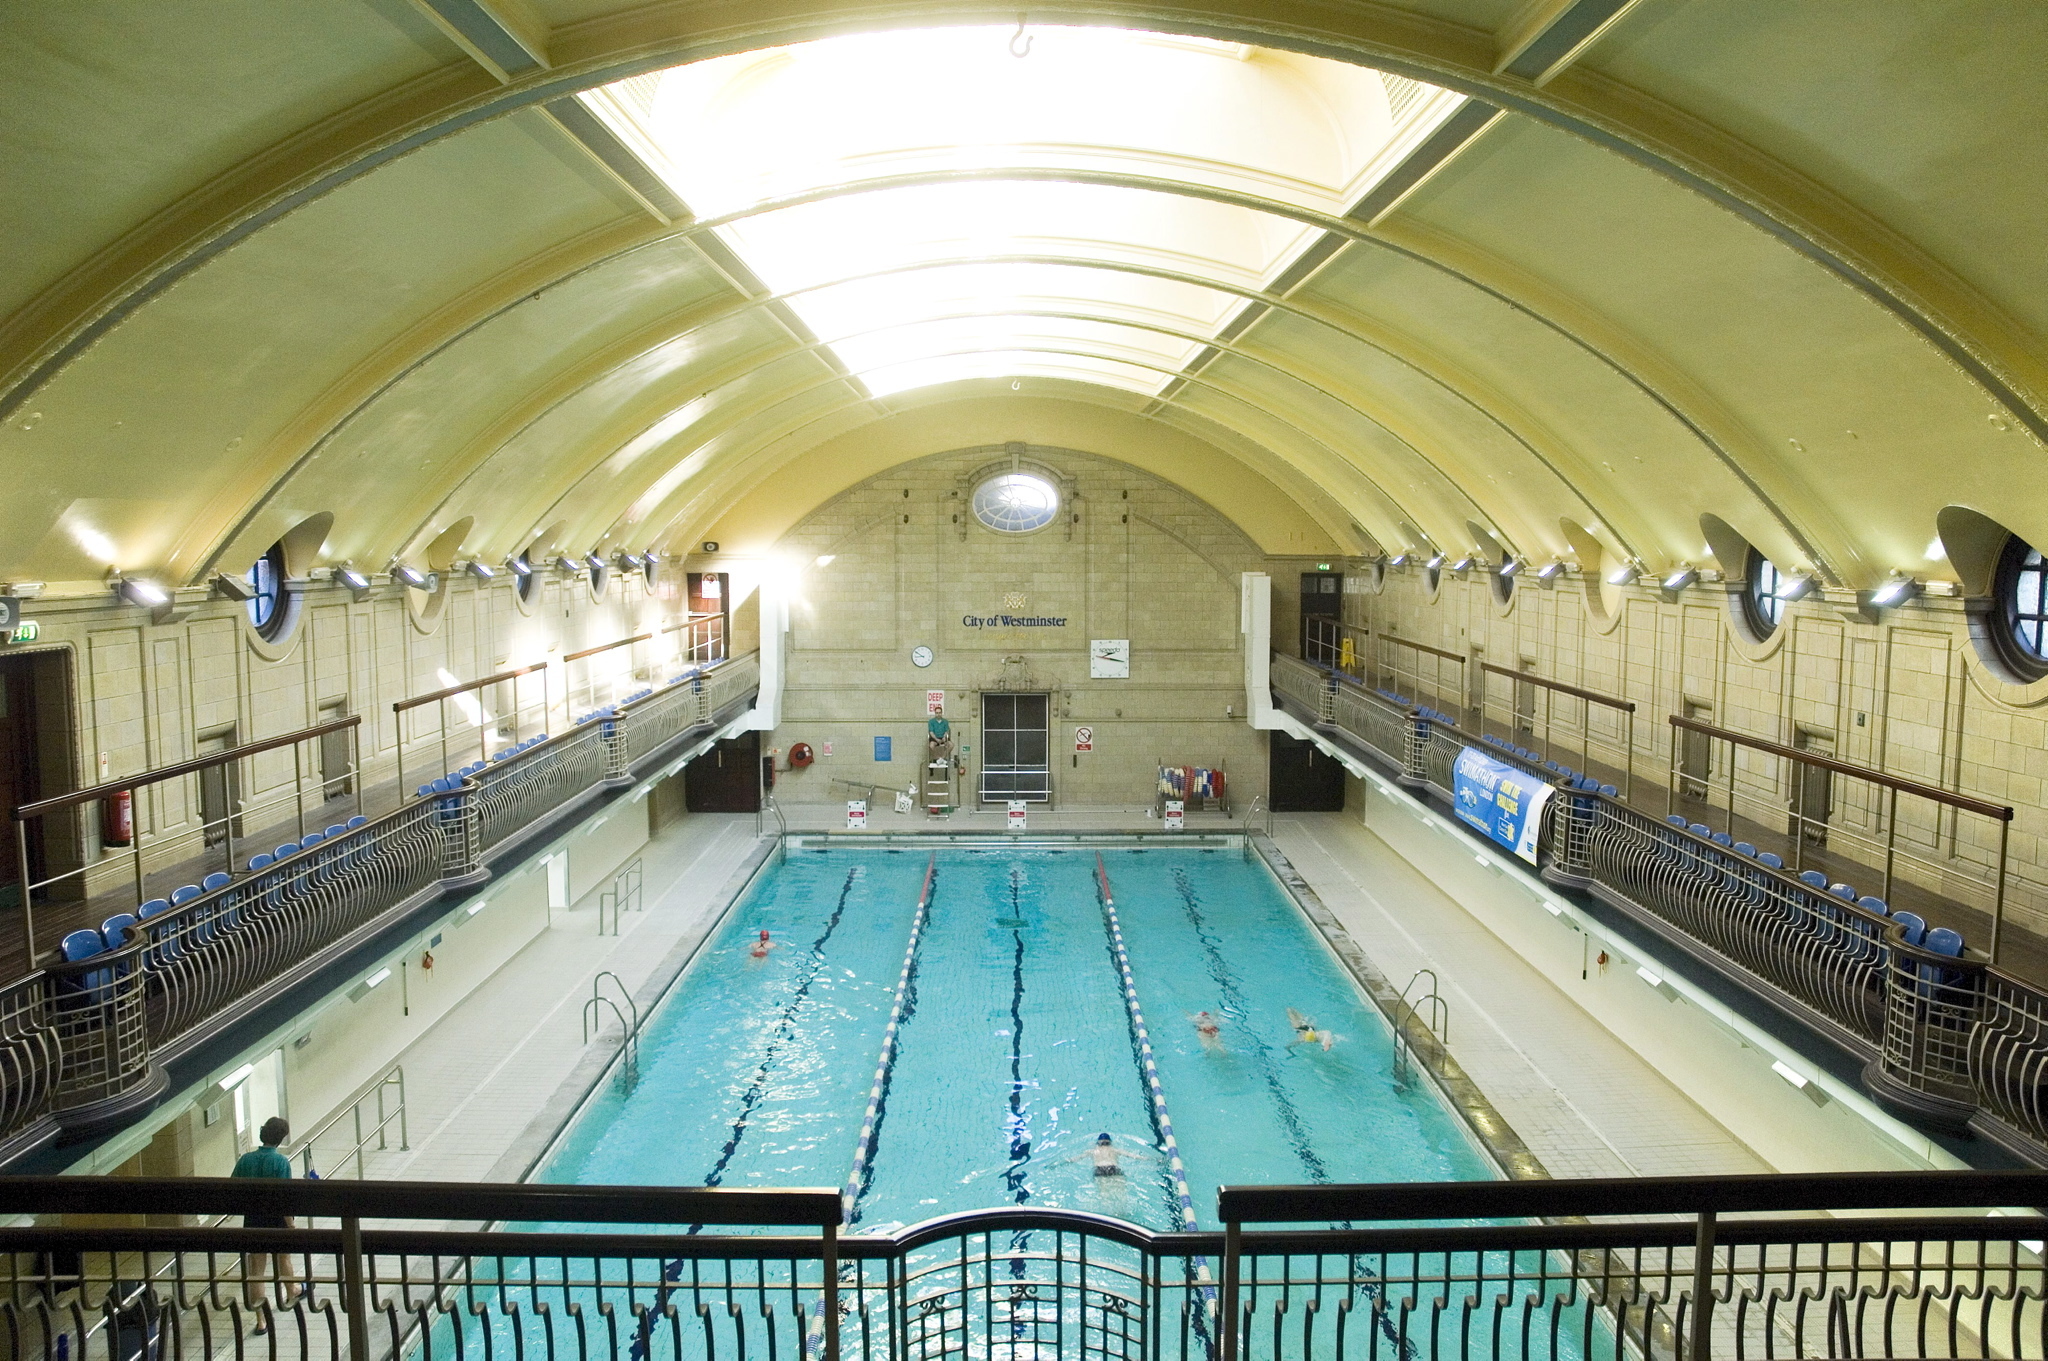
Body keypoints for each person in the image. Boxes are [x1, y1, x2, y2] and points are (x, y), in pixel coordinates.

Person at [232, 1116, 299, 1329]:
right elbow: (284, 1198)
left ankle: (261, 1320)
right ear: (280, 1138)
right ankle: (291, 1292)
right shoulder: (281, 1162)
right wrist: (290, 1224)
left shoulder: (245, 1160)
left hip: (253, 1220)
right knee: (283, 1259)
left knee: (256, 1270)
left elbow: (231, 1187)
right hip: (277, 1220)